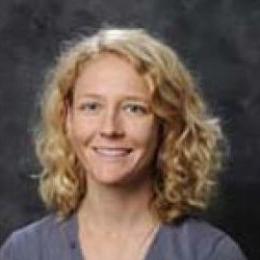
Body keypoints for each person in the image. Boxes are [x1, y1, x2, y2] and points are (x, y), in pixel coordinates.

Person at [0, 28, 247, 260]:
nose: (109, 128)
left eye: (134, 108)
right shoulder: (24, 251)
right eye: (92, 107)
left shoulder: (208, 253)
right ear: (67, 119)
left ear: (167, 124)